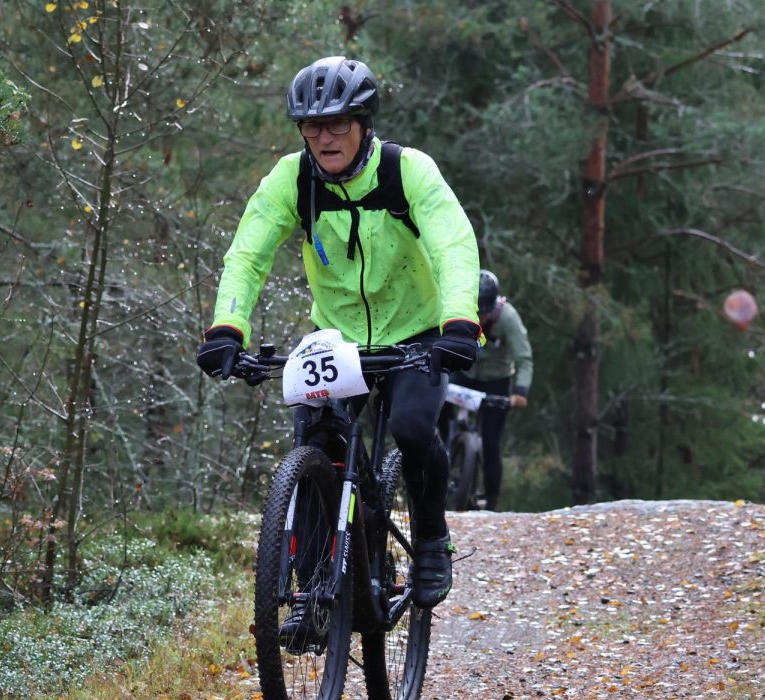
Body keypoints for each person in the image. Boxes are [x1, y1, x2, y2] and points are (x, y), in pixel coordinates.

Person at [195, 56, 481, 609]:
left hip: (418, 332)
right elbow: (248, 255)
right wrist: (227, 328)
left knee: (412, 427)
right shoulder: (293, 179)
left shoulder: (408, 171)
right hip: (337, 338)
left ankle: (430, 539)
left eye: (337, 124)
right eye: (312, 127)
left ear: (364, 125)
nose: (324, 138)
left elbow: (452, 245)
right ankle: (310, 590)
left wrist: (460, 323)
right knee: (316, 441)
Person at [449, 269, 533, 512]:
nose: (479, 318)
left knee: (491, 443)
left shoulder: (508, 318)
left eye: (483, 313)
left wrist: (520, 392)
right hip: (464, 373)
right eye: (475, 313)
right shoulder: (457, 311)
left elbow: (524, 358)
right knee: (437, 411)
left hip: (496, 380)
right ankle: (443, 449)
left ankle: (492, 501)